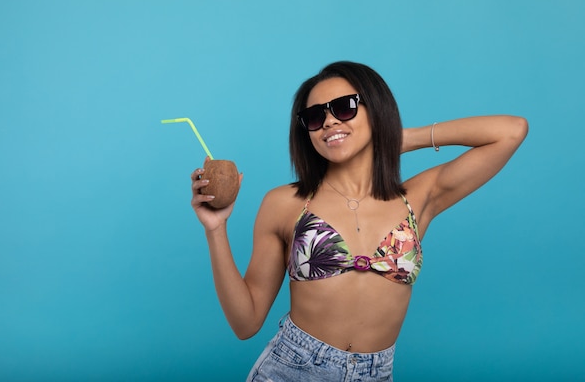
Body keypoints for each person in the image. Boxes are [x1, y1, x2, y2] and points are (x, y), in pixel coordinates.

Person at [189, 61, 528, 381]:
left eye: (345, 107)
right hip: (291, 369)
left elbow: (511, 131)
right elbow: (245, 323)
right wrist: (216, 230)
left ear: (375, 110)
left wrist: (398, 137)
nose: (330, 122)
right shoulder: (284, 203)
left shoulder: (418, 197)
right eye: (314, 116)